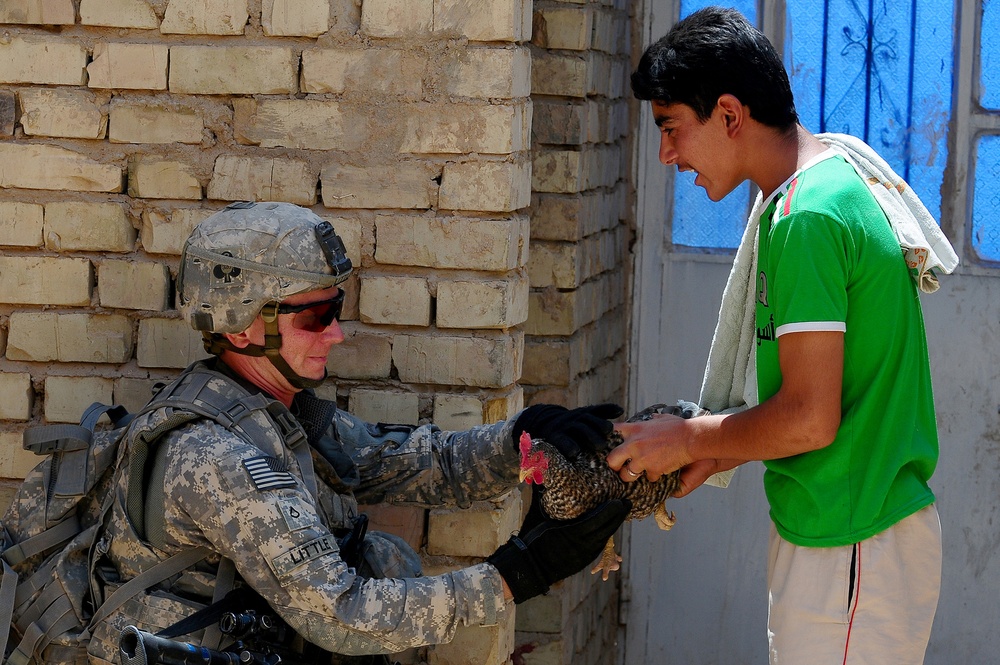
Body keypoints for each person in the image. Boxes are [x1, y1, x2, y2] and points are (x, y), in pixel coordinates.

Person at [86, 200, 630, 664]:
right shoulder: (216, 459)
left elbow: (402, 462)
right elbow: (343, 613)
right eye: (315, 317)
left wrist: (524, 440)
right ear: (240, 326)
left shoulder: (273, 410)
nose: (337, 333)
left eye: (335, 309)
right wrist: (520, 573)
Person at [608, 7, 946, 664]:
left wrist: (693, 435)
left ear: (730, 116)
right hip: (845, 537)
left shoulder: (807, 217)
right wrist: (718, 451)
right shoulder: (817, 190)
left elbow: (811, 418)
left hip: (854, 541)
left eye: (672, 128)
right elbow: (823, 401)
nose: (666, 155)